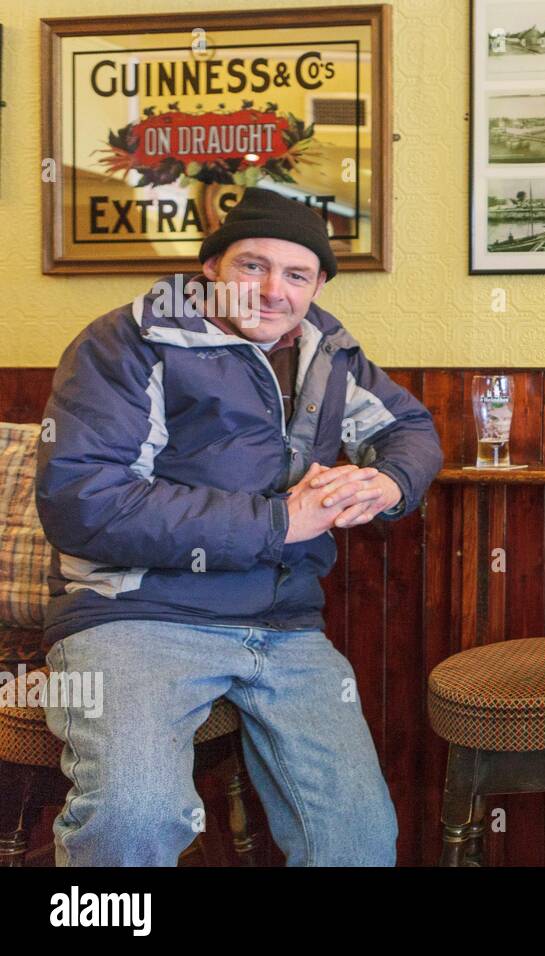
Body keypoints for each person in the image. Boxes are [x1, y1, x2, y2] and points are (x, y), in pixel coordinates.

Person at [36, 187, 443, 866]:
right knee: (134, 818)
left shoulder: (327, 350)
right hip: (137, 614)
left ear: (315, 286)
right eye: (253, 266)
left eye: (297, 275)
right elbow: (85, 503)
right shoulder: (128, 340)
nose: (273, 291)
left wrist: (389, 481)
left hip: (286, 626)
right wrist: (282, 520)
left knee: (360, 840)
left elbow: (408, 428)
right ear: (212, 270)